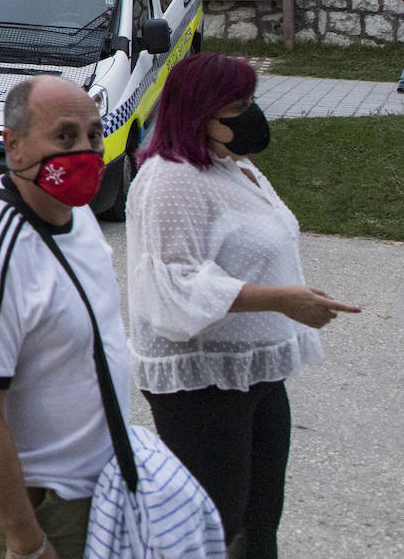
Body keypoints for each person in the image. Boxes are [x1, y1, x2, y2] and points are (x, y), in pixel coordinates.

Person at [126, 52, 359, 557]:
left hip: (255, 370)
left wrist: (294, 292)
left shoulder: (234, 167)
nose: (251, 116)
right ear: (198, 113)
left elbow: (257, 250)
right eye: (237, 106)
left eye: (252, 102)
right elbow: (174, 285)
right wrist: (282, 300)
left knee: (259, 520)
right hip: (203, 382)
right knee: (215, 526)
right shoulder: (173, 179)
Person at [0, 75, 127, 559]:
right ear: (14, 146)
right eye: (65, 136)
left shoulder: (77, 214)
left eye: (94, 135)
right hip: (35, 502)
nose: (86, 150)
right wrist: (26, 542)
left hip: (95, 484)